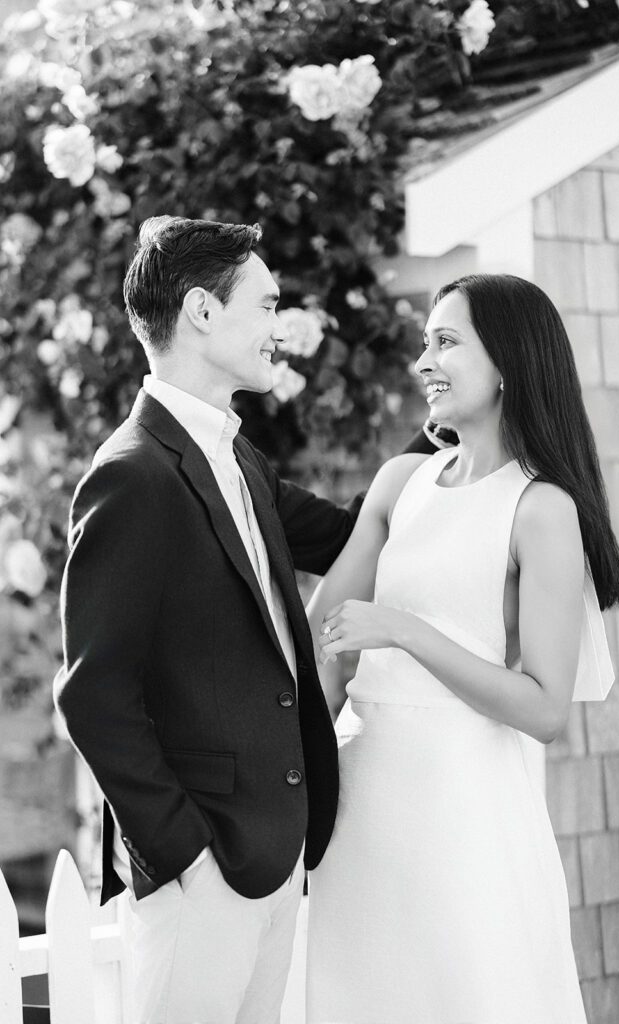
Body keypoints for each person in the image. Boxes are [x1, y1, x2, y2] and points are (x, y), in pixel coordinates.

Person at [54, 215, 433, 1024]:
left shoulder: (235, 457)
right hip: (206, 875)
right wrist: (184, 857)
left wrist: (446, 430)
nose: (275, 329)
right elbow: (92, 693)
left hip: (276, 851)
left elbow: (346, 535)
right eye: (263, 307)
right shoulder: (132, 477)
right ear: (200, 311)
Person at [306, 273, 619, 1024]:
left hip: (463, 812)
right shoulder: (398, 483)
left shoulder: (542, 508)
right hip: (362, 804)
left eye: (445, 342)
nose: (423, 360)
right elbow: (315, 635)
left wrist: (406, 631)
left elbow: (546, 709)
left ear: (508, 363)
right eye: (424, 342)